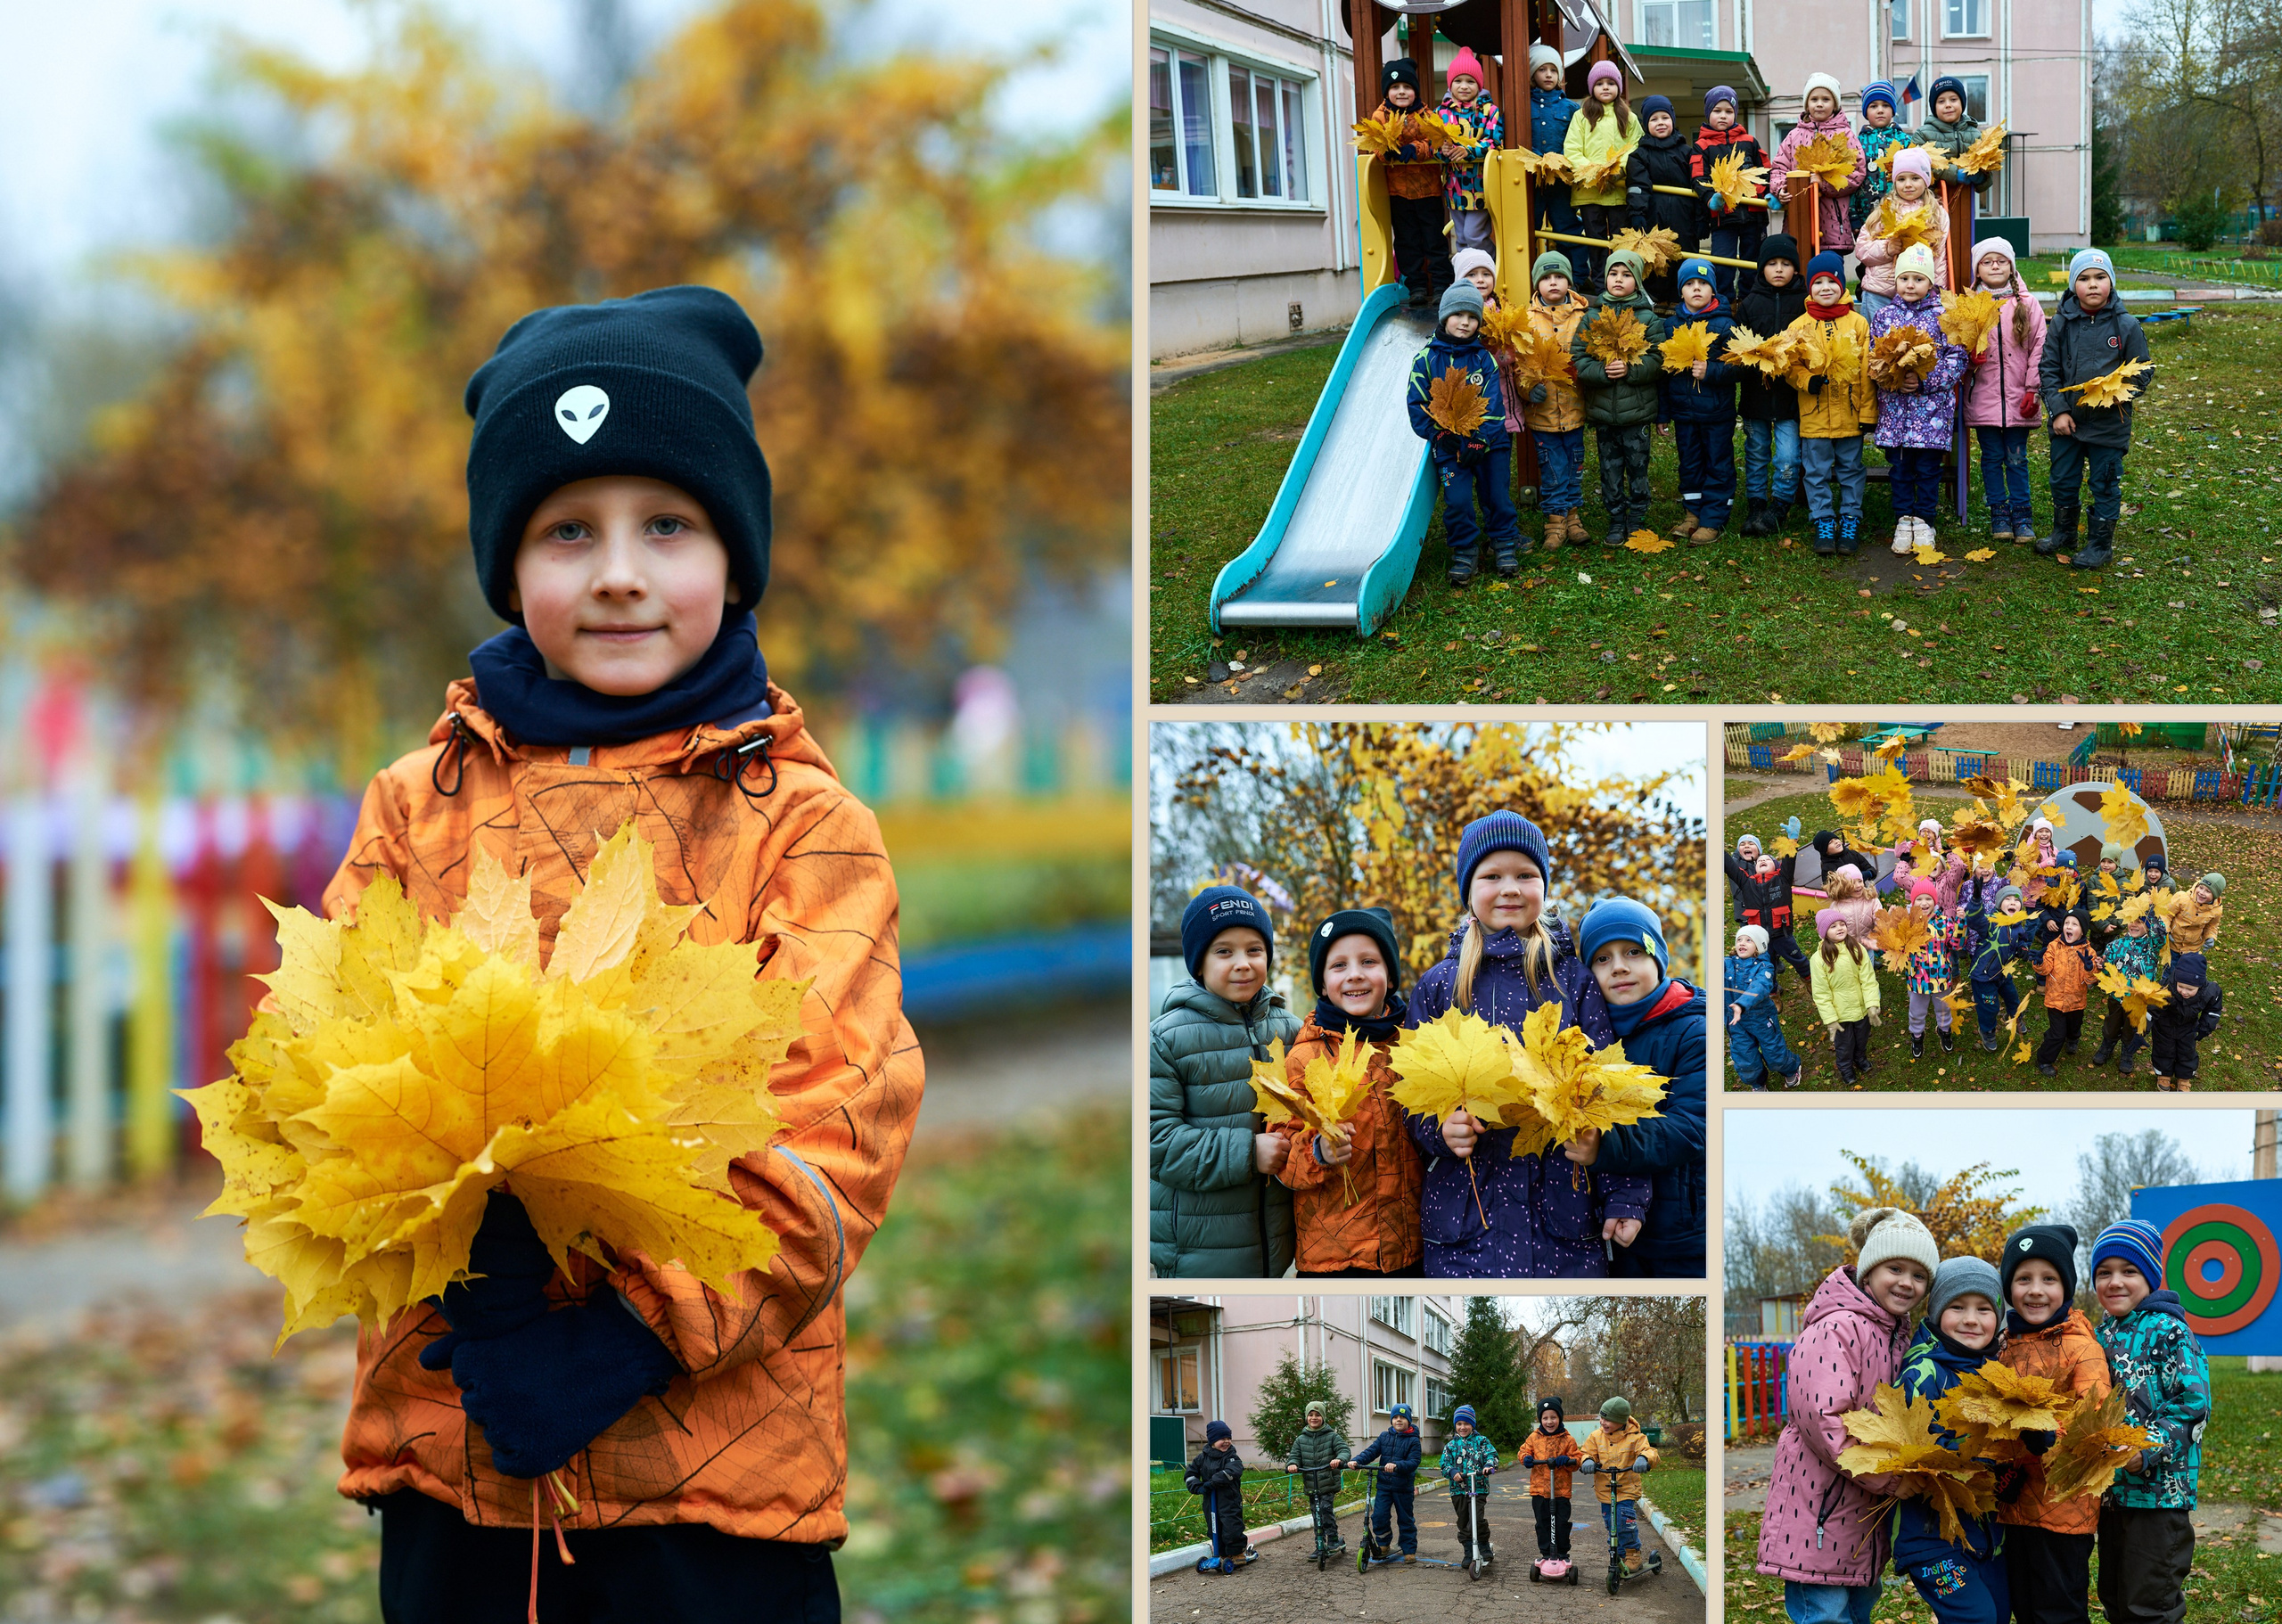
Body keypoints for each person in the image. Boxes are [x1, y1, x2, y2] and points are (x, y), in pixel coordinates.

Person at [324, 285, 919, 1618]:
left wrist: (632, 1330)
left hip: (712, 1482)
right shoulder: (415, 808)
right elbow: (332, 1067)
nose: (618, 571)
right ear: (508, 561)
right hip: (457, 1450)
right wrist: (466, 1256)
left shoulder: (803, 826)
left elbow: (841, 1126)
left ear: (734, 552)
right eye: (565, 530)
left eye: (668, 524)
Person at [1406, 812, 1646, 1276]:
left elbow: (1611, 1095)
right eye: (1492, 876)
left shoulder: (1572, 982)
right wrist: (1440, 1130)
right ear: (1469, 890)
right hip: (1465, 1227)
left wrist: (1625, 1193)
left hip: (1561, 1224)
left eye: (1525, 875)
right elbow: (1410, 1095)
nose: (1510, 888)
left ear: (1544, 885)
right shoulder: (1439, 987)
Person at [1756, 1207, 1936, 1621]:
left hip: (1861, 1516)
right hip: (1819, 1510)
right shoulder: (1836, 1328)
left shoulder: (1894, 1336)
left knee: (1857, 1610)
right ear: (1868, 1271)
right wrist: (1889, 1477)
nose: (1906, 1283)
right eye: (1895, 1267)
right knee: (1826, 1614)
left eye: (1919, 1275)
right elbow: (1824, 1420)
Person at [1150, 886, 1301, 1276]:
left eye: (1255, 949)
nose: (1243, 963)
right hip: (1198, 1251)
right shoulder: (1167, 1039)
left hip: (1277, 1245)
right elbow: (1156, 1143)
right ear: (1198, 963)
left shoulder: (1292, 1030)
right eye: (1224, 951)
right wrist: (1248, 1153)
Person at [1274, 907, 1424, 1275]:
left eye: (1369, 961)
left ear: (1390, 977)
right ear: (1323, 984)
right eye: (1339, 965)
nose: (1355, 974)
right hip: (1334, 1258)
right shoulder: (1305, 1057)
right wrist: (1317, 1152)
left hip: (1410, 1247)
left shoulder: (1415, 1045)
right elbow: (1279, 1155)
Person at [1576, 896, 1707, 1278]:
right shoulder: (1587, 1037)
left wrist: (1607, 1145)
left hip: (1682, 1236)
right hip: (1610, 1234)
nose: (1618, 967)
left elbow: (1693, 1127)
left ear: (1657, 957)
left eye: (1633, 951)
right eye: (1602, 959)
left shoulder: (1692, 1030)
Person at [2090, 1220, 2211, 1624]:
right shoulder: (2099, 1334)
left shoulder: (2170, 1331)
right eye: (2104, 1273)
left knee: (2151, 1601)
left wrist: (2147, 1449)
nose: (2115, 1282)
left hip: (2160, 1497)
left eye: (2129, 1271)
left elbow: (2192, 1404)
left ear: (2151, 1276)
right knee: (2114, 1594)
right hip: (2112, 1495)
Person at [1997, 1223, 2111, 1624]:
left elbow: (2094, 1422)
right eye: (2023, 1279)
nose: (2036, 1290)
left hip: (2064, 1509)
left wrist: (2051, 1435)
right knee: (2024, 1604)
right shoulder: (2004, 1345)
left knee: (2058, 1607)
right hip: (2013, 1505)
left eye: (2049, 1279)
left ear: (2066, 1287)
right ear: (2009, 1287)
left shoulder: (2082, 1347)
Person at [1893, 1258, 2012, 1623]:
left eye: (1983, 1309)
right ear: (1936, 1312)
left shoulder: (1997, 1374)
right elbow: (1904, 1445)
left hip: (1985, 1536)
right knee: (1975, 1618)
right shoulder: (1923, 1371)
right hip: (1931, 1538)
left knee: (1998, 1613)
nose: (1971, 1319)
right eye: (1957, 1307)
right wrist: (1962, 1457)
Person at [2038, 249, 2153, 570]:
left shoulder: (2126, 324)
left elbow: (2143, 369)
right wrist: (2058, 411)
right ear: (2074, 285)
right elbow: (2048, 369)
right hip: (2068, 424)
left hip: (2108, 424)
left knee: (2104, 482)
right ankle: (2064, 532)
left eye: (2100, 278)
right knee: (2062, 478)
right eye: (2084, 279)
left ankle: (2100, 545)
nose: (2092, 285)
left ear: (2111, 283)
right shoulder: (2061, 324)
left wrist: (2121, 394)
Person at [1408, 282, 1522, 586]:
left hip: (1489, 443)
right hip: (1449, 445)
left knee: (1497, 494)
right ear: (1444, 316)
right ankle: (1464, 549)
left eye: (1472, 317)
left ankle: (1503, 542)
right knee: (1457, 500)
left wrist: (1480, 438)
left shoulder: (1484, 359)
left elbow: (1495, 406)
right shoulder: (1425, 360)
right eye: (1458, 315)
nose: (1465, 322)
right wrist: (1440, 436)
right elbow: (1417, 405)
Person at [1870, 244, 1969, 554]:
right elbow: (1874, 359)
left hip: (1931, 413)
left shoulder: (1945, 317)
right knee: (1899, 468)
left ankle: (1925, 520)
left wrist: (1924, 380)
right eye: (1905, 279)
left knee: (1927, 470)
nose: (1910, 285)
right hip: (1896, 411)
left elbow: (1957, 358)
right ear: (1896, 281)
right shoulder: (1885, 316)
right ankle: (1903, 519)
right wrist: (1894, 379)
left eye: (1918, 279)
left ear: (1931, 282)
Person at [1570, 248, 1666, 546]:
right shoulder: (1592, 318)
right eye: (1613, 273)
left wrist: (1631, 370)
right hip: (1603, 412)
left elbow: (1658, 360)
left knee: (1638, 467)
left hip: (1636, 412)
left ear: (1637, 282)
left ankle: (1636, 516)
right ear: (1606, 278)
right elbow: (1578, 358)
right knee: (1609, 469)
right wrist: (1600, 371)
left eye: (1626, 275)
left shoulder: (1649, 319)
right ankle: (1615, 516)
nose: (1619, 280)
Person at [1959, 237, 2048, 548]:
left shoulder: (2027, 304)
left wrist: (2032, 388)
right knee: (1991, 457)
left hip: (2019, 398)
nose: (1994, 265)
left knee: (2016, 458)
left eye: (2001, 260)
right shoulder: (1969, 305)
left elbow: (2039, 347)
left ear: (2011, 266)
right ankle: (1999, 513)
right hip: (1983, 400)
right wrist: (1969, 357)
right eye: (1987, 261)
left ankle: (2022, 515)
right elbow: (1957, 349)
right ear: (1978, 270)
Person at [1791, 250, 1878, 554]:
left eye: (1832, 281)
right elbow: (1790, 366)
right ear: (1810, 288)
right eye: (1819, 282)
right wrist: (1807, 380)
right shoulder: (1799, 326)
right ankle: (1823, 520)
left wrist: (1868, 412)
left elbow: (1868, 372)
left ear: (1842, 285)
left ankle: (1850, 518)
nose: (1825, 287)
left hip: (1851, 415)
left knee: (1851, 469)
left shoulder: (1858, 324)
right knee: (1815, 471)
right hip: (1814, 414)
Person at [1662, 257, 1740, 542]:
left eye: (1703, 283)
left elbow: (1740, 366)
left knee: (1718, 462)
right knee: (1690, 463)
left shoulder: (1724, 324)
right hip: (1684, 413)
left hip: (1716, 413)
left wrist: (1712, 370)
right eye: (1690, 284)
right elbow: (1666, 372)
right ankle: (1692, 513)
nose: (1697, 289)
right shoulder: (1671, 326)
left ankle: (1713, 517)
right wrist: (1663, 413)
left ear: (1714, 290)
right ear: (1681, 291)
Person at [1736, 235, 1809, 535]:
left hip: (1790, 398)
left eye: (1786, 264)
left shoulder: (1805, 303)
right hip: (1756, 396)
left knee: (1788, 455)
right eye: (1772, 264)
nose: (1779, 269)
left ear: (1795, 268)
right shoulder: (1750, 303)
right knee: (1756, 451)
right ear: (1761, 268)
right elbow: (1738, 348)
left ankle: (1779, 506)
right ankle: (1756, 505)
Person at [1522, 251, 1594, 550]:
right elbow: (1520, 363)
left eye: (1559, 277)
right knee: (1551, 468)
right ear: (1538, 284)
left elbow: (1592, 356)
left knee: (1574, 465)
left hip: (1575, 408)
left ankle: (1573, 518)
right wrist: (1527, 389)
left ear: (1569, 281)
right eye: (1547, 278)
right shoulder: (1526, 320)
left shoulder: (1583, 317)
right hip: (1544, 414)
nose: (1553, 283)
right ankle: (1555, 522)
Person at [1375, 59, 1452, 308]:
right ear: (1387, 92)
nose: (1401, 92)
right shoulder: (1381, 115)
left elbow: (1436, 142)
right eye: (1395, 87)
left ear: (1415, 91)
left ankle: (1441, 285)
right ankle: (1417, 286)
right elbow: (1374, 143)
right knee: (1407, 240)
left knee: (1434, 239)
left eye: (1407, 87)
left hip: (1427, 190)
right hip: (1398, 192)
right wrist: (1386, 152)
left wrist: (1415, 149)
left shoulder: (1427, 115)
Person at [1768, 74, 1864, 262]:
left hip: (1833, 221)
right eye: (1814, 99)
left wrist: (1825, 183)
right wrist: (1781, 188)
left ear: (1835, 105)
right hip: (1799, 217)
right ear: (1807, 104)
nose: (1819, 104)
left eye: (1826, 99)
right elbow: (1779, 167)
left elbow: (1856, 171)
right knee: (1800, 263)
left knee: (1831, 266)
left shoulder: (1845, 135)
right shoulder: (1794, 136)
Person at [1564, 61, 1640, 291]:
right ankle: (1599, 285)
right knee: (1595, 241)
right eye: (1599, 83)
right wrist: (1596, 172)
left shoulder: (1628, 116)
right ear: (1591, 87)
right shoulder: (1581, 116)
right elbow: (1572, 149)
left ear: (1619, 86)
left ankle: (1621, 285)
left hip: (1617, 189)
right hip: (1589, 191)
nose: (1605, 87)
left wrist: (1617, 170)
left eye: (1610, 83)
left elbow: (1636, 147)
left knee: (1619, 241)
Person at [1691, 86, 1769, 301]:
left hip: (1753, 215)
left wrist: (1769, 195)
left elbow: (1765, 172)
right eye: (1717, 111)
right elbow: (1698, 178)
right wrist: (1709, 198)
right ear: (1708, 114)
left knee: (1752, 262)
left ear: (1735, 113)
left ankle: (1749, 301)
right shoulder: (1701, 146)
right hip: (1722, 218)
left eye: (1728, 111)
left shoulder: (1750, 141)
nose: (1723, 115)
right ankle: (1724, 302)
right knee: (1723, 263)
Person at [1625, 94, 1703, 307]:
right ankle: (1656, 304)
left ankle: (1683, 302)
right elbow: (1637, 187)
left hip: (1684, 220)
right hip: (1653, 220)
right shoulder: (1639, 156)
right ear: (1646, 124)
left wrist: (1701, 219)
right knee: (1656, 262)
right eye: (1654, 119)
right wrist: (1637, 215)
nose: (1660, 123)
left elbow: (1698, 186)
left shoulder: (1688, 153)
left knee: (1684, 258)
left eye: (1665, 117)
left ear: (1673, 120)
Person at [1855, 150, 1950, 317]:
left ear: (1926, 180)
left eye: (1915, 178)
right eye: (1901, 179)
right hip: (1881, 291)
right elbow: (1862, 249)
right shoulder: (1885, 210)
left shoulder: (1936, 213)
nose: (1908, 184)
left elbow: (1940, 256)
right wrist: (1887, 248)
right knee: (1877, 340)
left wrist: (1939, 290)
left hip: (1918, 293)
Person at [1579, 1396, 1660, 1578]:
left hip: (1626, 1489)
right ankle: (1618, 1553)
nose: (1603, 1422)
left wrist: (1643, 1459)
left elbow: (1650, 1452)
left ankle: (1632, 1555)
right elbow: (1586, 1452)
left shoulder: (1636, 1438)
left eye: (1607, 1419)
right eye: (1602, 1417)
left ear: (1620, 1420)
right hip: (1605, 1490)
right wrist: (1587, 1461)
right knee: (1611, 1523)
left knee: (1624, 1522)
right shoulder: (1596, 1436)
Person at [1439, 48, 1505, 258]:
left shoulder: (1489, 110)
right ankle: (1468, 279)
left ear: (1479, 85)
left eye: (1470, 81)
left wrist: (1469, 151)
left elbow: (1494, 141)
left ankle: (1490, 270)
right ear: (1450, 84)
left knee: (1474, 235)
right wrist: (1443, 150)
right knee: (1462, 238)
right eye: (1459, 81)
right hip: (1454, 185)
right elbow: (1433, 144)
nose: (1464, 86)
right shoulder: (1441, 113)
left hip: (1480, 185)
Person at [1728, 829, 1811, 985]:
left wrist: (1792, 839)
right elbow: (1729, 866)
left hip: (1782, 934)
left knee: (1798, 958)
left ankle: (1808, 979)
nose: (1762, 861)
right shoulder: (1747, 883)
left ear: (1776, 866)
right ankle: (1773, 994)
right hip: (1760, 938)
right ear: (1756, 867)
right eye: (1760, 861)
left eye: (1767, 859)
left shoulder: (1783, 879)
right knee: (1766, 966)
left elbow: (1789, 859)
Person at [2091, 909, 2166, 1076]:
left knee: (2131, 1029)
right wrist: (2102, 966)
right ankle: (2107, 1046)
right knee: (2112, 1024)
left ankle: (2127, 1052)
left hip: (2138, 1000)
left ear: (2148, 926)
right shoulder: (2115, 946)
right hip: (2117, 997)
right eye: (2131, 920)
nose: (2134, 924)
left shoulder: (2152, 947)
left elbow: (2160, 936)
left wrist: (2152, 916)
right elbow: (2107, 971)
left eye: (2140, 922)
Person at [1729, 924, 1804, 1090]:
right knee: (1744, 1057)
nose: (1742, 943)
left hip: (1761, 1018)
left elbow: (1760, 987)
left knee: (1774, 1052)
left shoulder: (1764, 968)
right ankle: (1757, 1081)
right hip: (1736, 1023)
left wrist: (1741, 1004)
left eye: (1749, 940)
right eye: (1739, 939)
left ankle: (1791, 1068)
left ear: (1760, 946)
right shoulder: (1727, 964)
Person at [1810, 910, 1882, 1085]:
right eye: (1833, 926)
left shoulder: (1857, 948)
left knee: (1862, 1037)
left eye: (1842, 924)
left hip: (1861, 1008)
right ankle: (1845, 1067)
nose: (1839, 928)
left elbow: (1868, 978)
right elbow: (1821, 993)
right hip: (1840, 1014)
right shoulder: (1819, 959)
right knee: (1845, 1044)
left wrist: (1871, 1003)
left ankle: (1860, 1058)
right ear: (1823, 932)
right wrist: (1830, 1019)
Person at [1900, 879, 1967, 1061]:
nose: (1924, 903)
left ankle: (1944, 1031)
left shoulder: (1944, 922)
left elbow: (1957, 944)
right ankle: (1917, 1035)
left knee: (1943, 1008)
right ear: (1912, 902)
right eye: (1919, 899)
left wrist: (1960, 923)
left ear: (1935, 902)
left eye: (1928, 899)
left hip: (1941, 977)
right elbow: (1897, 949)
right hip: (1917, 979)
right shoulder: (1907, 924)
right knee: (1917, 1010)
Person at [1526, 45, 1582, 256]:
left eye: (1553, 70)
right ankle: (1527, 273)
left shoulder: (1571, 108)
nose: (1548, 74)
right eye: (1542, 69)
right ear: (1532, 73)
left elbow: (1579, 140)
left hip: (1561, 179)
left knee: (1567, 225)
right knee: (1529, 226)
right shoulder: (1522, 105)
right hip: (1531, 178)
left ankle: (1576, 276)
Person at [1352, 1402, 1425, 1562]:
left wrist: (1397, 1465)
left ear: (1408, 1421)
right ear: (1391, 1420)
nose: (1399, 1420)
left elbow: (1414, 1461)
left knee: (1405, 1519)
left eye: (1402, 1418)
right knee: (1379, 1516)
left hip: (1403, 1487)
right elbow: (1371, 1452)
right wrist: (1356, 1461)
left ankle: (1409, 1549)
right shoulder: (1384, 1437)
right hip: (1384, 1486)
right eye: (1395, 1417)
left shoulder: (1413, 1440)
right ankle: (1383, 1543)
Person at [2032, 914, 2101, 1077]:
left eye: (2074, 924)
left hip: (2077, 1000)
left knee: (2075, 1026)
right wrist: (2040, 963)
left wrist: (2090, 968)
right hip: (2056, 1000)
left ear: (2083, 931)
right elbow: (2046, 969)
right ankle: (2044, 1059)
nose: (2069, 927)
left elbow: (2091, 980)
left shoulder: (2088, 951)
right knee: (2057, 1034)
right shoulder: (2054, 946)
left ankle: (2073, 1039)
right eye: (2066, 923)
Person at [1968, 885, 2036, 1053]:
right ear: (1999, 904)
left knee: (2013, 999)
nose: (2012, 902)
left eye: (2016, 900)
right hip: (1984, 977)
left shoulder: (2018, 925)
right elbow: (1974, 919)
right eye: (2007, 899)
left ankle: (2015, 1018)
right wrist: (1976, 902)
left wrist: (2024, 949)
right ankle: (1987, 1031)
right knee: (1990, 1007)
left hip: (2003, 974)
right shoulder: (1991, 921)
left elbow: (2023, 940)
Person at [1286, 1401, 1353, 1565]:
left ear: (1323, 1417)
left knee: (1325, 1509)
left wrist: (1339, 1459)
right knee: (1316, 1514)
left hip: (1327, 1482)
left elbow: (1344, 1450)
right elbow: (1294, 1456)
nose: (1314, 1418)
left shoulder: (1331, 1436)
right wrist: (1292, 1465)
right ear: (1306, 1417)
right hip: (1311, 1483)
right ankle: (1319, 1544)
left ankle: (1333, 1540)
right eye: (1311, 1415)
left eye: (1317, 1415)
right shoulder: (1301, 1439)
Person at [2149, 950, 2224, 1092]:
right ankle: (2164, 1075)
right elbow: (2153, 1006)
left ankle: (2184, 1078)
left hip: (2188, 1026)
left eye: (2190, 989)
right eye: (2181, 986)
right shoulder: (2166, 987)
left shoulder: (2209, 992)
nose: (2184, 992)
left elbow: (2213, 1008)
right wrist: (2147, 1023)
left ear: (2200, 985)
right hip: (2164, 1025)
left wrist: (2205, 1026)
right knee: (2163, 1050)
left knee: (2187, 1052)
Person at [1518, 1398, 1579, 1567]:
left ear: (1559, 1418)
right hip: (1539, 1490)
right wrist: (1526, 1458)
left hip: (1560, 1491)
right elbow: (1523, 1451)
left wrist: (1568, 1460)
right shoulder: (1534, 1437)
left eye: (1553, 1417)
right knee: (1542, 1522)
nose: (1549, 1421)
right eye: (1545, 1418)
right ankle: (1546, 1553)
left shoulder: (1567, 1439)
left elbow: (1577, 1459)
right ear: (1540, 1419)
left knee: (1561, 1523)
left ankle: (1562, 1552)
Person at [1441, 1405, 1501, 1568]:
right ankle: (1468, 1550)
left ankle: (1483, 1545)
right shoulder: (1451, 1446)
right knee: (1463, 1521)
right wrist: (1452, 1471)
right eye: (1459, 1424)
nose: (1462, 1427)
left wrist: (1488, 1465)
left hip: (1478, 1487)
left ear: (1472, 1424)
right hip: (1458, 1490)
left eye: (1466, 1423)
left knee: (1477, 1519)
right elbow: (1444, 1464)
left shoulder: (1481, 1441)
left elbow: (1492, 1455)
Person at [1918, 77, 1996, 198]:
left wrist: (1981, 177)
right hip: (1933, 202)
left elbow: (1987, 179)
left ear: (1962, 102)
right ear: (1934, 107)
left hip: (1965, 202)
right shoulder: (1923, 134)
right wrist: (1954, 174)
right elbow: (1919, 167)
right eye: (1941, 101)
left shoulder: (1976, 135)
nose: (1948, 105)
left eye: (1953, 99)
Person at [1188, 1422, 1252, 1569]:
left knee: (1232, 1526)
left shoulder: (1231, 1456)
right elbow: (1191, 1474)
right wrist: (1197, 1487)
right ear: (1212, 1440)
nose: (1226, 1441)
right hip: (1210, 1500)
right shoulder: (1201, 1458)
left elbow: (1233, 1471)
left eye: (1228, 1438)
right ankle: (1221, 1553)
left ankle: (1236, 1553)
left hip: (1229, 1499)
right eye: (1222, 1438)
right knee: (1214, 1526)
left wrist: (1213, 1482)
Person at [1850, 82, 1912, 233]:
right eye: (1873, 106)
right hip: (1866, 216)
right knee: (1872, 253)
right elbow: (1850, 180)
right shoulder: (1857, 144)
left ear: (1893, 110)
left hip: (1900, 212)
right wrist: (1853, 216)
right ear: (1866, 112)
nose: (1880, 110)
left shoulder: (1904, 140)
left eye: (1885, 105)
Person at [2167, 873, 2224, 953]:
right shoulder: (2182, 898)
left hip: (2193, 948)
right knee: (2171, 965)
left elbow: (2212, 925)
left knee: (2188, 966)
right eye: (2201, 888)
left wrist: (2210, 936)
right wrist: (2165, 930)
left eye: (2208, 891)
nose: (2202, 893)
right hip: (2173, 944)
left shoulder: (2216, 910)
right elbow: (2167, 914)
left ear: (2215, 895)